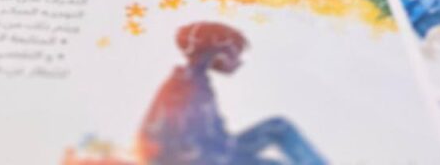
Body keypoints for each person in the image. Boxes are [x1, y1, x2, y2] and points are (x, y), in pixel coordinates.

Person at [138, 22, 326, 165]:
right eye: (236, 53)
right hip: (207, 158)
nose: (239, 60)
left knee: (278, 126)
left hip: (220, 149)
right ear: (220, 52)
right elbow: (164, 139)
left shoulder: (198, 82)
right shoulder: (186, 84)